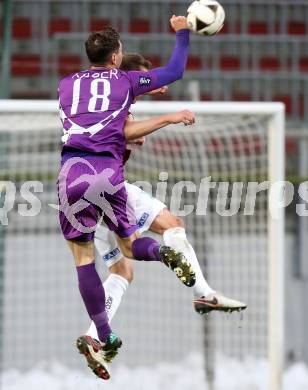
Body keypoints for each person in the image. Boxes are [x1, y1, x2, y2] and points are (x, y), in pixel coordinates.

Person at [57, 16, 195, 380]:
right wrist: (183, 31)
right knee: (132, 246)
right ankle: (162, 251)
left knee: (83, 259)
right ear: (117, 56)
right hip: (106, 171)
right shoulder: (125, 80)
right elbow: (175, 70)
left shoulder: (66, 84)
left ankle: (104, 336)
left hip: (71, 171)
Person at [85, 54, 247, 341]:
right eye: (143, 80)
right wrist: (168, 117)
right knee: (171, 225)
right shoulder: (119, 110)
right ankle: (202, 293)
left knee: (122, 272)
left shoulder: (95, 107)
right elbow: (131, 134)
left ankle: (94, 336)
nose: (151, 83)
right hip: (110, 189)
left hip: (83, 201)